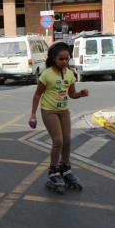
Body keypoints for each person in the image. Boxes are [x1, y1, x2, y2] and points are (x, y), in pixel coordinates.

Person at [29, 42, 89, 194]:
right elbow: (37, 95)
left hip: (63, 111)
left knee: (68, 141)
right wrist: (33, 115)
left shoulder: (70, 74)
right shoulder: (46, 74)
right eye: (61, 59)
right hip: (49, 111)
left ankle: (65, 167)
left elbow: (71, 94)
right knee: (58, 141)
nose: (64, 62)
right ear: (53, 58)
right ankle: (54, 170)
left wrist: (80, 94)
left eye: (67, 59)